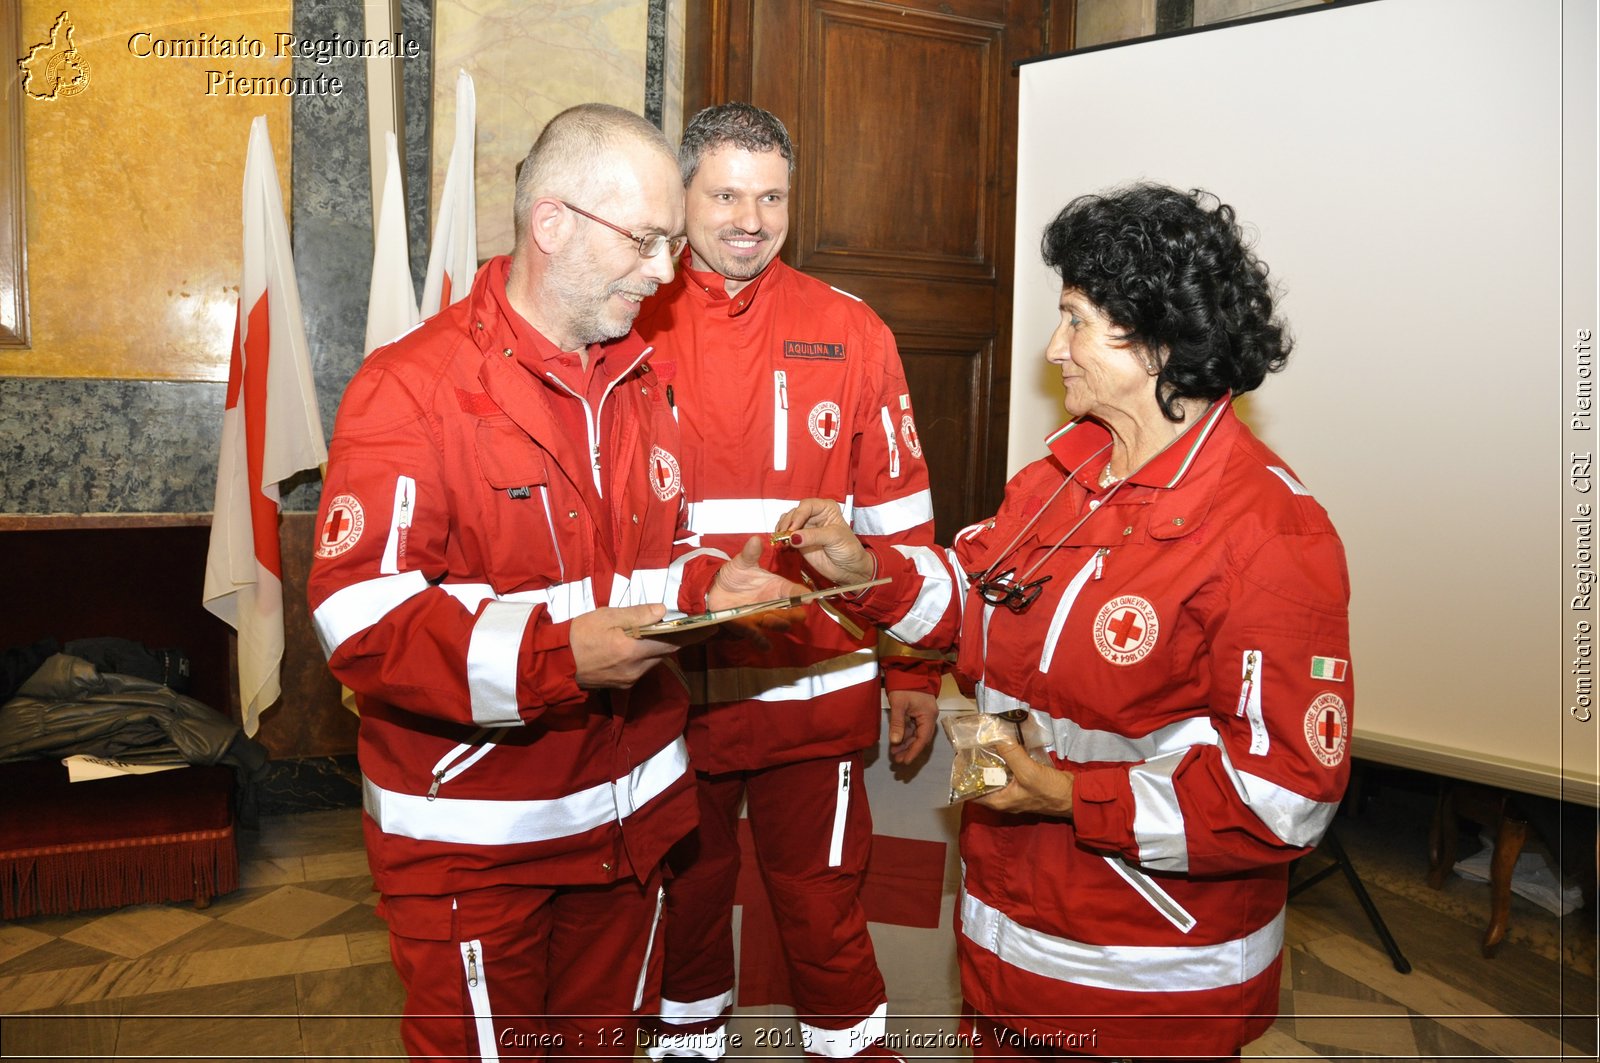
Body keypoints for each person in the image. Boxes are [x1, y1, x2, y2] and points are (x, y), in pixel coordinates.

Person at [777, 183, 1353, 1062]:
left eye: (1076, 321)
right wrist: (868, 569)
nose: (1055, 349)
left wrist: (1063, 794)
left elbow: (1287, 798)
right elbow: (974, 603)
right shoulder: (1060, 475)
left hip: (1147, 981)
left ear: (1157, 340)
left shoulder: (1270, 532)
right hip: (1005, 946)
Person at [306, 103, 801, 1062]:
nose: (669, 270)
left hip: (634, 828)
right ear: (552, 224)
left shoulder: (640, 381)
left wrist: (711, 590)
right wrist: (558, 657)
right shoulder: (411, 389)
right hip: (479, 849)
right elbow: (359, 619)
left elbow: (660, 553)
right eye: (648, 240)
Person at [633, 102, 942, 1060]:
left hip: (815, 690)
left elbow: (899, 520)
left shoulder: (852, 329)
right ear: (681, 195)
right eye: (724, 193)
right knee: (681, 910)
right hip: (665, 691)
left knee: (823, 914)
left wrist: (916, 671)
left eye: (771, 197)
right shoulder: (623, 317)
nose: (749, 219)